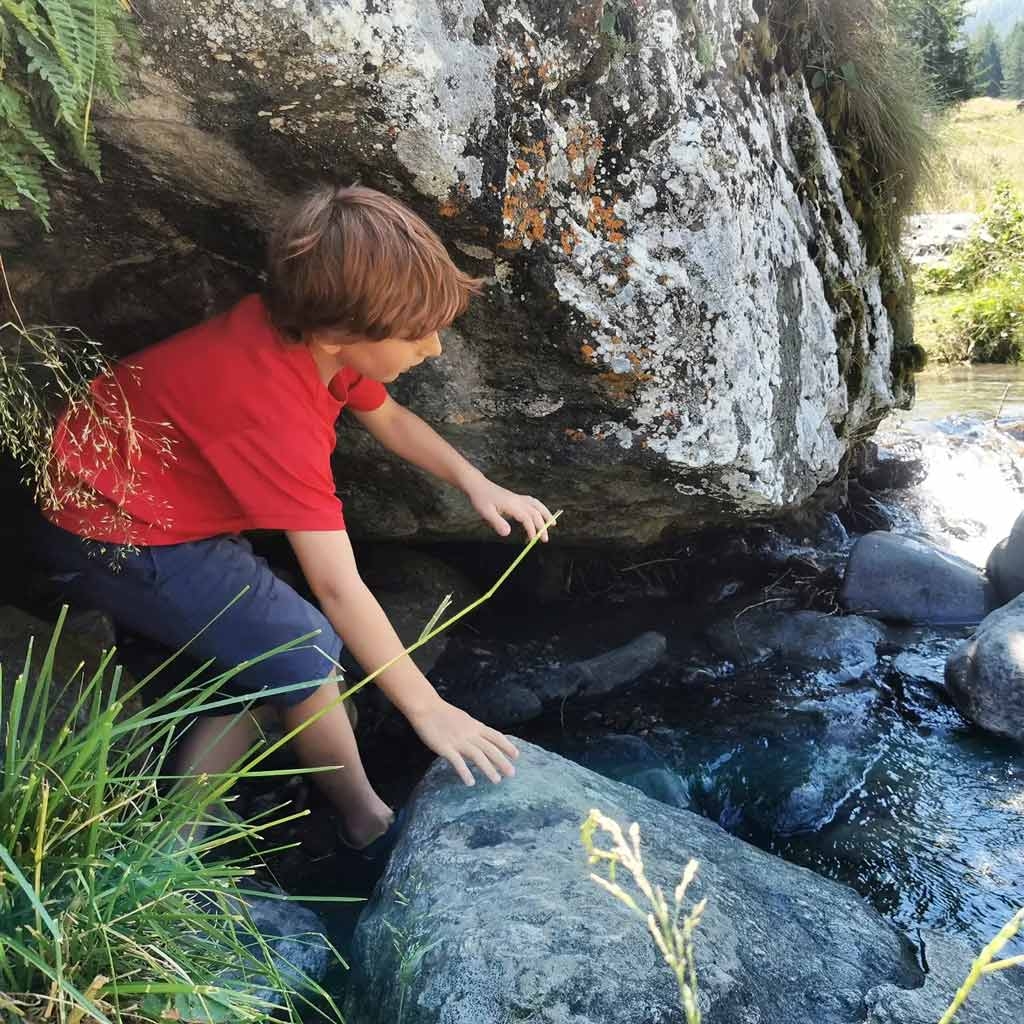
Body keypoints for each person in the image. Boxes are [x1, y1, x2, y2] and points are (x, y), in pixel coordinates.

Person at [33, 184, 555, 851]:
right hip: (111, 531)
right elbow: (338, 587)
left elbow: (388, 416)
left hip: (128, 490)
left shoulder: (305, 338)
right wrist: (429, 711)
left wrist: (475, 482)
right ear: (340, 334)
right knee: (304, 650)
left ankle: (179, 832)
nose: (434, 350)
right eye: (417, 334)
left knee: (265, 654)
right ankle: (366, 821)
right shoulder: (274, 412)